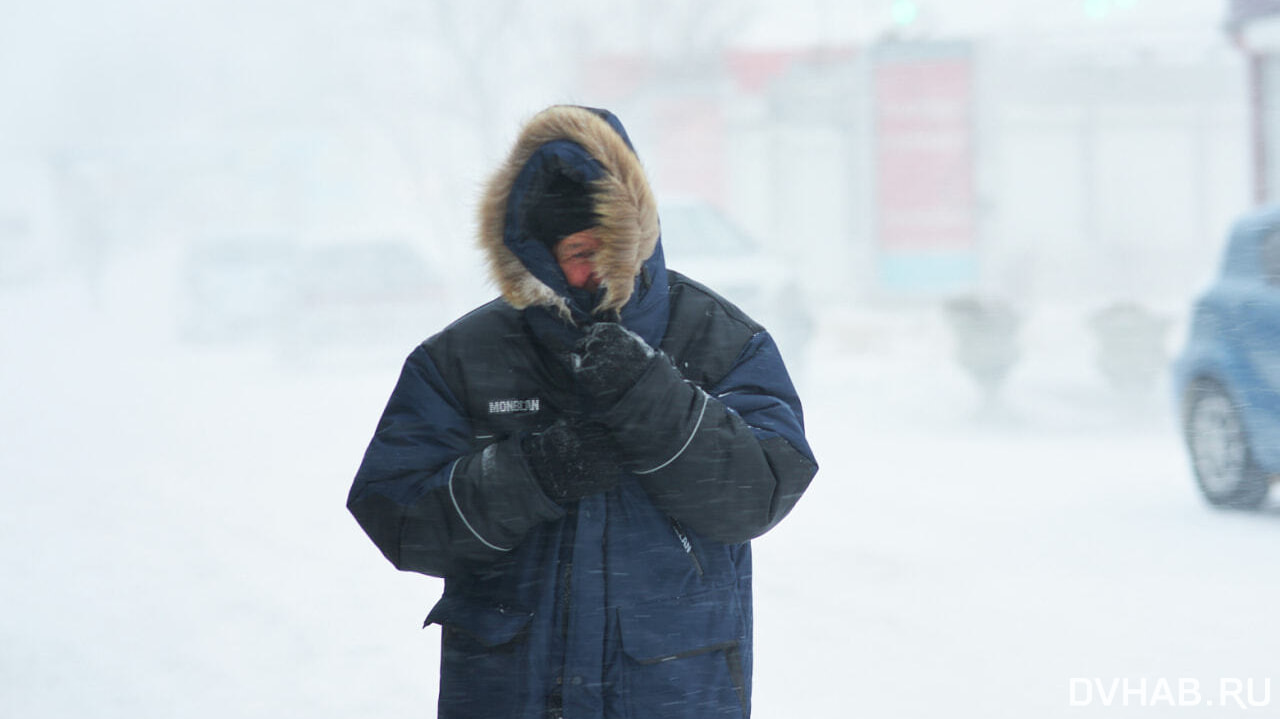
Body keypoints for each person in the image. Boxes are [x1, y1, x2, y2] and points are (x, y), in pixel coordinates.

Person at [347, 105, 818, 719]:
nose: (588, 269)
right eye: (572, 250)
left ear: (636, 233)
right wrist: (534, 472)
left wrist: (650, 394)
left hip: (671, 690)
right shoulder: (463, 359)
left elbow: (756, 494)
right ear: (535, 252)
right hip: (512, 690)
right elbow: (398, 517)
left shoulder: (720, 341)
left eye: (604, 245)